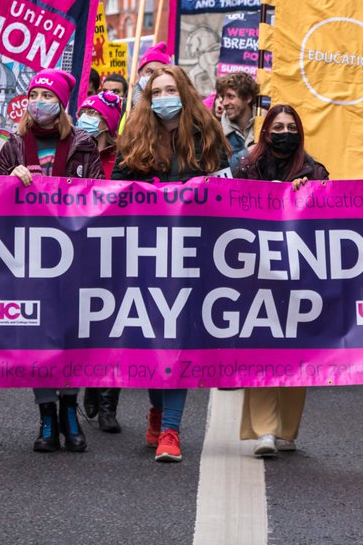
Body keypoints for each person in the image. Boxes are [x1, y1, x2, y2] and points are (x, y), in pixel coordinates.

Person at [114, 64, 229, 463]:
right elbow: (114, 188)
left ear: (183, 92)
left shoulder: (207, 134)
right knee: (153, 340)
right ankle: (158, 408)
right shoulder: (135, 135)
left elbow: (226, 184)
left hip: (194, 254)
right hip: (146, 253)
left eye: (170, 89)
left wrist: (204, 186)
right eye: (156, 91)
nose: (164, 96)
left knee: (178, 339)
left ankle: (170, 430)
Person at [0, 68, 105, 453]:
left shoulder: (83, 143)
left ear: (61, 104)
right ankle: (46, 415)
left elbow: (99, 197)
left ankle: (69, 409)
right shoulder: (13, 145)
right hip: (28, 256)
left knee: (71, 336)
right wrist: (12, 177)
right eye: (35, 94)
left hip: (74, 255)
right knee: (38, 335)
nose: (39, 101)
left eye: (47, 95)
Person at [234, 103, 328, 457]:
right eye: (278, 126)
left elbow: (327, 221)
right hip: (253, 273)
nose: (284, 133)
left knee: (294, 353)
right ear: (266, 130)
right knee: (260, 351)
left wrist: (307, 196)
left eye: (291, 127)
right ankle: (265, 431)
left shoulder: (315, 170)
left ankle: (287, 429)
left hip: (298, 276)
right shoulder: (246, 167)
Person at [74, 90, 125, 433]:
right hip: (82, 248)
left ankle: (109, 401)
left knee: (118, 326)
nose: (86, 120)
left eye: (93, 114)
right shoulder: (76, 149)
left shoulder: (124, 156)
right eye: (83, 113)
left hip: (119, 249)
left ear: (108, 123)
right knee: (88, 324)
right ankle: (90, 381)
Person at [216, 72, 259, 170]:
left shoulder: (265, 127)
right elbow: (219, 170)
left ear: (248, 98)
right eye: (223, 97)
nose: (225, 103)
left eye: (230, 96)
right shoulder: (216, 132)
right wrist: (247, 154)